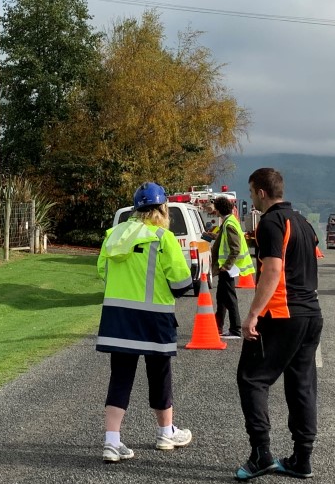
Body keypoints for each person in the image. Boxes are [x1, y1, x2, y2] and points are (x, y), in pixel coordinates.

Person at [234, 167, 324, 482]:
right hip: (311, 314)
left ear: (261, 192)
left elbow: (272, 271)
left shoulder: (272, 222)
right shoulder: (304, 223)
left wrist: (252, 314)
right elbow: (310, 265)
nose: (251, 199)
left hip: (283, 314)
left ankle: (261, 454)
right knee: (301, 385)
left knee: (252, 379)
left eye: (250, 192)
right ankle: (302, 458)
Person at [96, 182, 196, 463]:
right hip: (154, 318)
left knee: (121, 376)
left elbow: (102, 271)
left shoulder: (113, 236)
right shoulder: (162, 238)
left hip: (118, 316)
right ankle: (166, 432)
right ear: (162, 209)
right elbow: (181, 283)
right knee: (159, 374)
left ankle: (112, 442)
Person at [210, 195, 254, 339]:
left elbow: (235, 248)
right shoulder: (229, 221)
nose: (214, 211)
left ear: (218, 210)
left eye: (215, 209)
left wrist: (226, 266)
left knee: (229, 298)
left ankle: (235, 329)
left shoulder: (229, 224)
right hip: (226, 268)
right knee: (222, 299)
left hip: (228, 268)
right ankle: (218, 327)